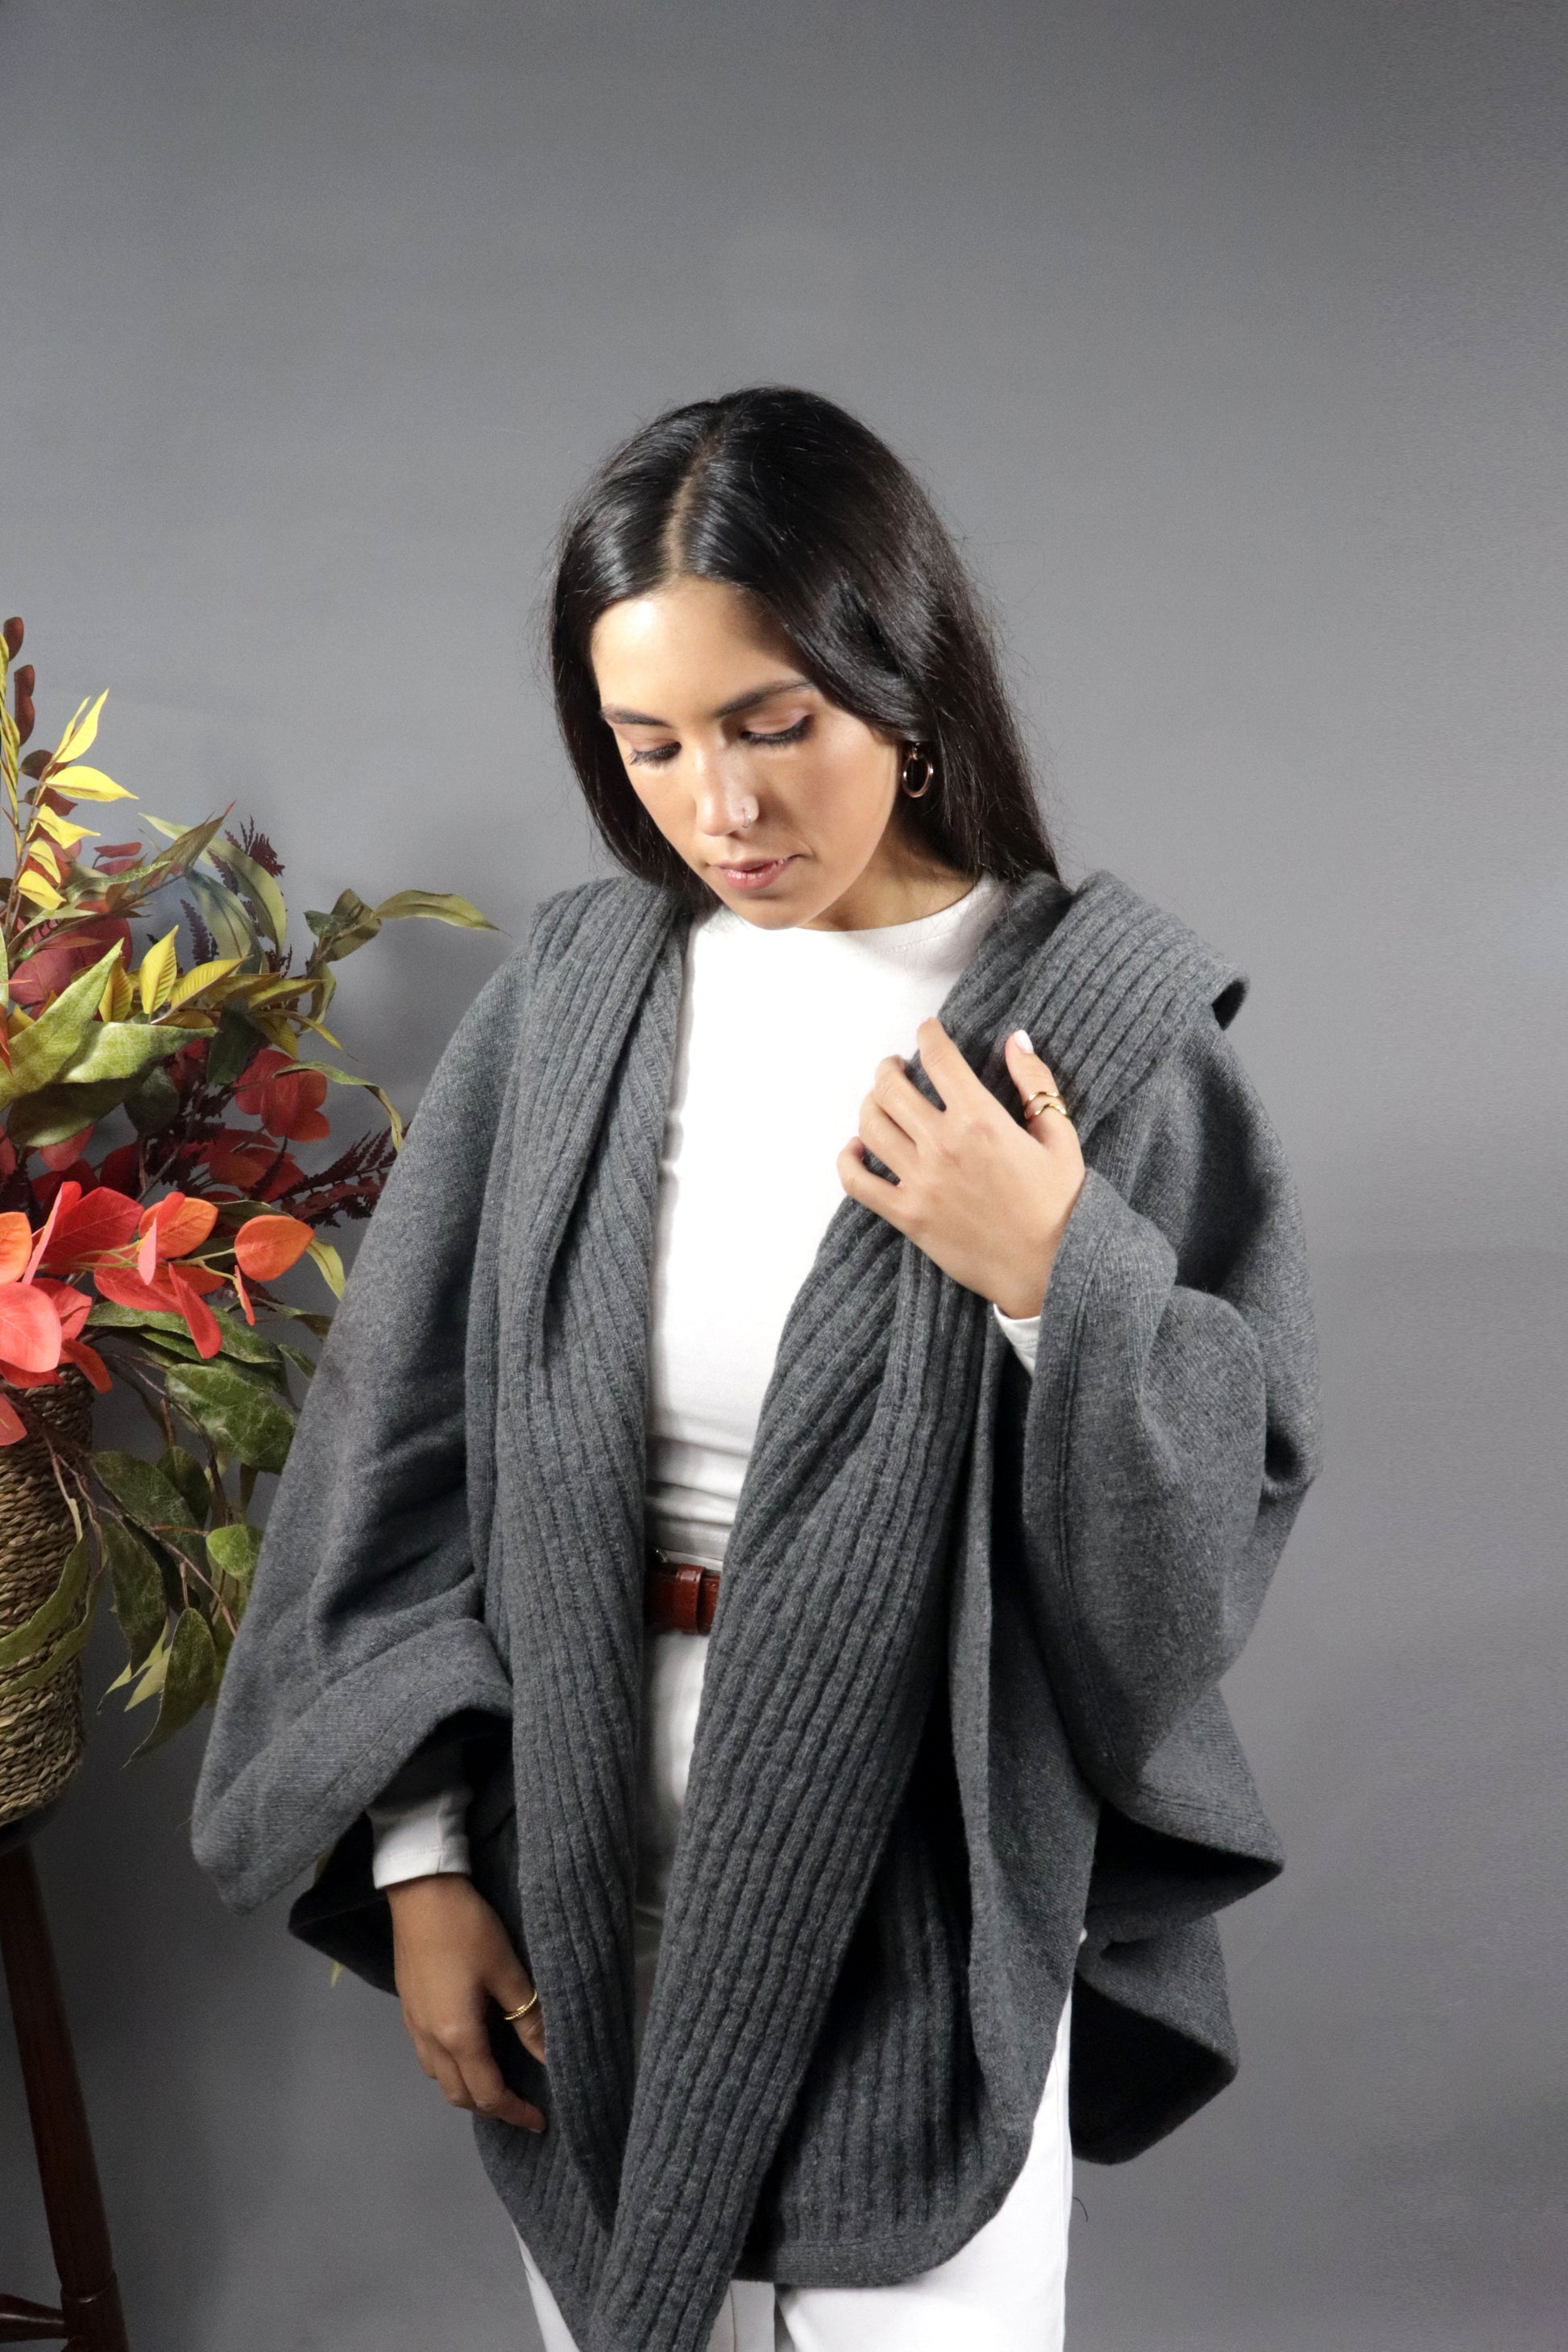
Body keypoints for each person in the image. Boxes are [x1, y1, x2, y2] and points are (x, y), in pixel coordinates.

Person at [192, 387, 1321, 2352]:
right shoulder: (572, 1002)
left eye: (770, 722)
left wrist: (1059, 1272)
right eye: (652, 744)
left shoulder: (1099, 1039)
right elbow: (401, 1453)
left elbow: (1184, 1579)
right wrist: (425, 1851)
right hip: (578, 1852)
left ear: (902, 678)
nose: (718, 805)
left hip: (927, 1879)